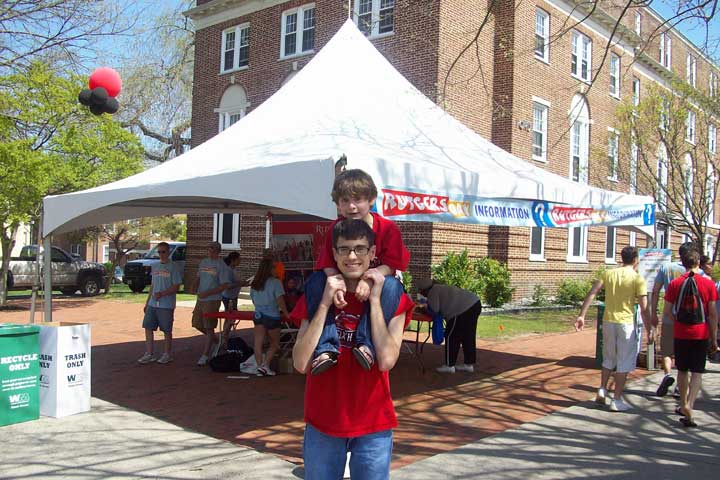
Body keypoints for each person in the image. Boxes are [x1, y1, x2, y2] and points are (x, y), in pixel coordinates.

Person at [291, 219, 414, 479]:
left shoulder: (394, 299)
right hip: (323, 422)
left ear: (372, 253)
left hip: (373, 423)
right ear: (334, 254)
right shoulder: (316, 294)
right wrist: (324, 304)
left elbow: (386, 360)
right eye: (344, 249)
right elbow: (301, 363)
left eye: (360, 249)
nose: (352, 256)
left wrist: (376, 302)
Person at [311, 169, 410, 375]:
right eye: (345, 200)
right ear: (337, 204)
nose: (351, 206)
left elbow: (393, 264)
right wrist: (335, 282)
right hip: (345, 282)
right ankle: (325, 347)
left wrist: (369, 279)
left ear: (371, 200)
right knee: (316, 280)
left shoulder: (387, 228)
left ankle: (366, 344)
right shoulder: (335, 228)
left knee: (392, 285)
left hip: (376, 285)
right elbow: (326, 262)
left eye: (358, 200)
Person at [576, 246, 651, 412]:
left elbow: (592, 292)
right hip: (626, 323)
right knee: (624, 361)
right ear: (636, 260)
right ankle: (616, 399)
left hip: (608, 320)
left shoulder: (608, 274)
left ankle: (602, 388)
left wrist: (582, 315)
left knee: (608, 357)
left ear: (622, 258)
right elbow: (644, 308)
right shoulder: (637, 278)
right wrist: (649, 328)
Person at [661, 249, 719, 427]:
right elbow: (712, 314)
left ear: (683, 263)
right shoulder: (708, 284)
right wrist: (714, 338)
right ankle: (690, 405)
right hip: (701, 333)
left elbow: (667, 312)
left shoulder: (675, 283)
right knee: (697, 372)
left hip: (681, 332)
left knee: (682, 370)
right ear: (698, 263)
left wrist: (677, 321)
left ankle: (683, 402)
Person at [649, 241, 700, 397]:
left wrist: (653, 312)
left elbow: (655, 291)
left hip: (669, 315)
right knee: (684, 354)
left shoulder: (666, 267)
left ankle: (667, 375)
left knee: (667, 351)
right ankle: (680, 385)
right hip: (690, 319)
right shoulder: (698, 271)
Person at [416, 278, 482, 373]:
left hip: (459, 310)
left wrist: (423, 309)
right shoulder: (440, 287)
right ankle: (469, 364)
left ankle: (449, 365)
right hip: (475, 303)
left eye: (421, 291)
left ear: (424, 290)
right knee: (468, 336)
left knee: (451, 336)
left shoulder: (433, 291)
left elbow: (434, 310)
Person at [137, 242, 183, 365]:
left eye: (163, 252)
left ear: (168, 252)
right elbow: (153, 285)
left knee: (166, 330)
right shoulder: (155, 266)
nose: (161, 254)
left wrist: (162, 293)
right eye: (159, 252)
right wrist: (147, 302)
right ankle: (149, 353)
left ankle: (167, 354)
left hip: (166, 304)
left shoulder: (173, 267)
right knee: (148, 327)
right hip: (152, 304)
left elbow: (176, 286)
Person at [191, 241, 233, 366]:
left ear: (218, 251)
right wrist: (194, 285)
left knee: (209, 327)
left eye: (212, 249)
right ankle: (218, 341)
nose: (210, 251)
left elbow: (224, 285)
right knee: (197, 323)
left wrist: (208, 293)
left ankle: (205, 355)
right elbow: (199, 277)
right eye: (208, 249)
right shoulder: (204, 262)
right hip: (201, 298)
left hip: (213, 300)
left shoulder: (221, 266)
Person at [250, 252, 290, 376]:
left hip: (258, 315)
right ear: (269, 269)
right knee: (275, 344)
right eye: (273, 267)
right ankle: (265, 365)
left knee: (258, 343)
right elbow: (280, 301)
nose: (275, 269)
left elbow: (253, 299)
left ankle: (259, 366)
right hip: (272, 316)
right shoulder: (275, 282)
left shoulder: (254, 283)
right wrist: (287, 313)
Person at [220, 252, 244, 348]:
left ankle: (225, 337)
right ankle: (224, 338)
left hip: (233, 296)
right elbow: (227, 286)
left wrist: (242, 283)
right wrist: (240, 283)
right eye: (239, 259)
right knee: (230, 318)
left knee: (230, 318)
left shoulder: (233, 270)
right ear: (233, 260)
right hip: (229, 297)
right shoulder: (228, 270)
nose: (240, 261)